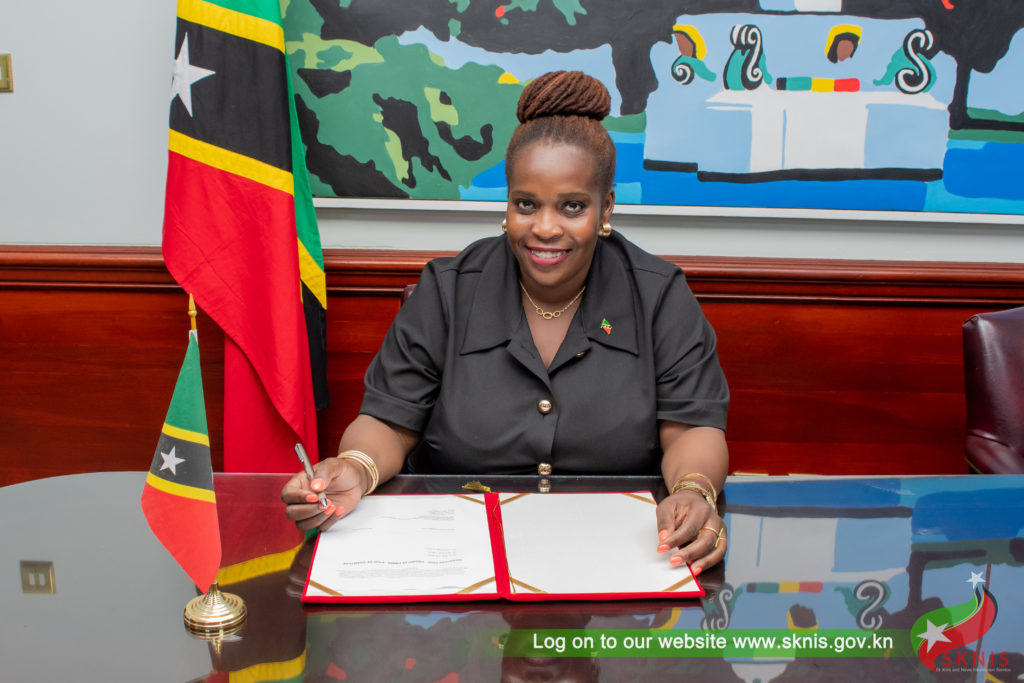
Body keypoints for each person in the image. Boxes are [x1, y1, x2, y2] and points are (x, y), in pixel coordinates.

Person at [281, 70, 731, 574]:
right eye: (526, 204)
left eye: (572, 207)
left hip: (615, 556)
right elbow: (389, 420)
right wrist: (356, 469)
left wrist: (693, 491)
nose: (545, 227)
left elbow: (692, 429)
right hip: (455, 556)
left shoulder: (659, 295)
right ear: (507, 205)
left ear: (606, 208)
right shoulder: (447, 290)